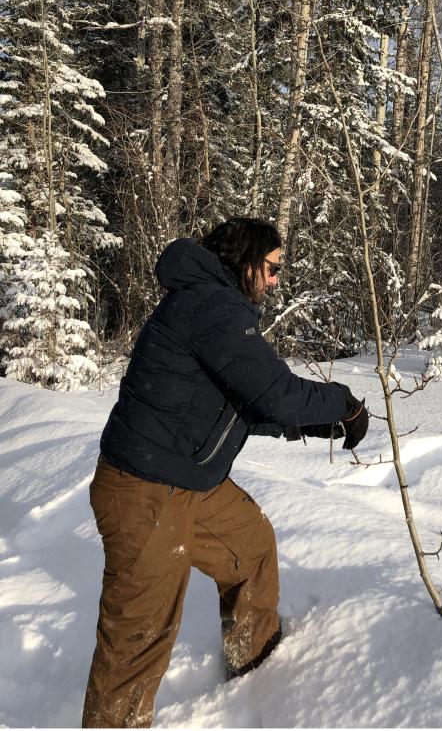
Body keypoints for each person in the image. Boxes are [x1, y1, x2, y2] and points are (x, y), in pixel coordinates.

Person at [83, 217, 369, 728]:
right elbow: (274, 392)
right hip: (145, 492)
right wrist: (342, 404)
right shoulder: (211, 306)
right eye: (274, 268)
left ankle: (258, 669)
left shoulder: (209, 303)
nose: (277, 281)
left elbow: (227, 400)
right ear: (247, 263)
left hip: (188, 479)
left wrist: (309, 424)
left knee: (251, 547)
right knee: (140, 636)